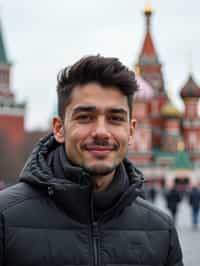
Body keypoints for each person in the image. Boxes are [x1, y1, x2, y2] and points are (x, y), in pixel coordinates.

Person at [0, 55, 183, 266]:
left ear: (131, 131)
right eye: (85, 117)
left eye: (115, 118)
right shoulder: (5, 218)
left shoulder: (161, 230)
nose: (101, 132)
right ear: (59, 129)